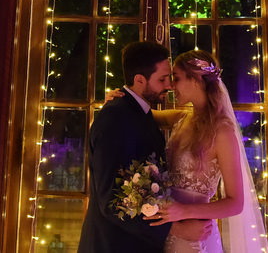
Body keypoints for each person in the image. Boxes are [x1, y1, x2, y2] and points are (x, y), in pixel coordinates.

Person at [78, 41, 211, 252]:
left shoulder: (141, 112)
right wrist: (174, 230)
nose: (169, 85)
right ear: (139, 80)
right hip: (114, 245)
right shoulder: (115, 118)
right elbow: (112, 201)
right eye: (162, 79)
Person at [147, 50, 268, 253]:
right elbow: (144, 113)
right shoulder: (181, 118)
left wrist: (183, 211)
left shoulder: (222, 132)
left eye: (176, 78)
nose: (170, 86)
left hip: (196, 237)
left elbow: (236, 203)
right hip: (171, 229)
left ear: (196, 80)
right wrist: (119, 99)